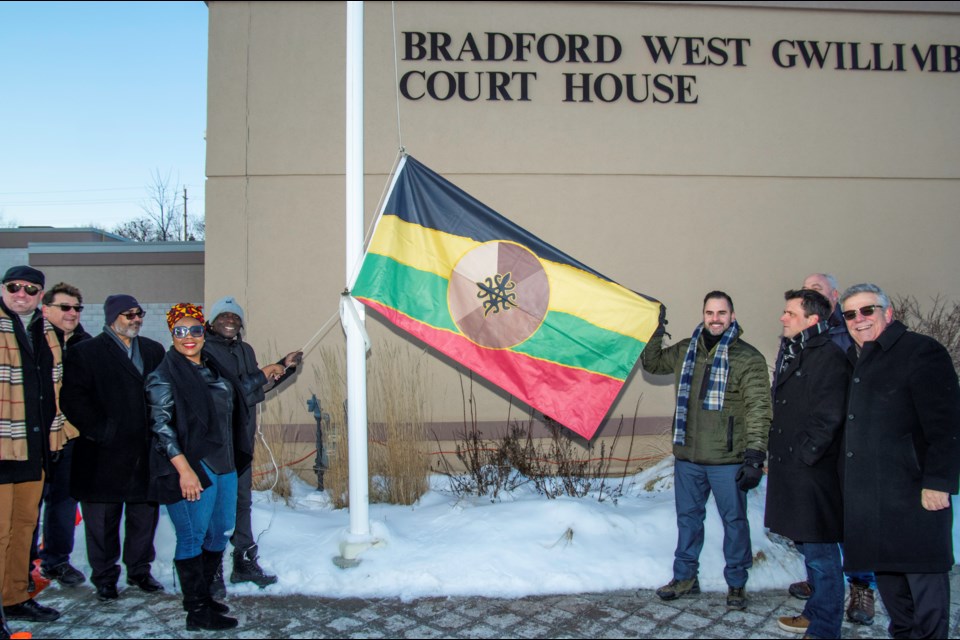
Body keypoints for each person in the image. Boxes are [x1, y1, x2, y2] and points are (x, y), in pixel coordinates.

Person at [839, 283, 960, 639]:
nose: (859, 320)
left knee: (924, 583)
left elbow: (948, 424)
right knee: (892, 587)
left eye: (867, 310)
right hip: (872, 498)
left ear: (887, 313)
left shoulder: (921, 352)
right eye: (850, 314)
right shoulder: (856, 358)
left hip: (913, 494)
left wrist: (939, 481)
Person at [641, 291, 771, 610]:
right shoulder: (687, 349)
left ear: (732, 315)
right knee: (688, 520)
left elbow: (758, 407)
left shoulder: (747, 357)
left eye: (722, 313)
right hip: (688, 457)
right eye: (710, 312)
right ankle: (685, 578)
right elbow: (653, 363)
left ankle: (737, 583)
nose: (716, 318)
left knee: (735, 521)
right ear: (703, 314)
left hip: (727, 460)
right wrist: (655, 328)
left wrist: (755, 454)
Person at [146, 303, 258, 631]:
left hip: (224, 463)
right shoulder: (164, 374)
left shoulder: (213, 367)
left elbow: (240, 394)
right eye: (180, 331)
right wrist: (184, 470)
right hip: (192, 467)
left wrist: (276, 369)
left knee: (221, 528)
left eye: (195, 329)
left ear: (203, 331)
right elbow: (161, 426)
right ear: (172, 334)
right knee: (192, 535)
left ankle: (207, 597)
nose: (189, 337)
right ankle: (196, 611)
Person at [59, 294, 166, 601]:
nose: (135, 319)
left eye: (138, 313)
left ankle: (139, 570)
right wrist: (102, 431)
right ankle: (105, 576)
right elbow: (73, 398)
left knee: (143, 518)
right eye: (128, 314)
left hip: (144, 452)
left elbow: (161, 393)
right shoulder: (85, 352)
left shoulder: (152, 350)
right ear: (111, 317)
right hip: (102, 454)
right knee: (102, 521)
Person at [790, 273, 876, 626]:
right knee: (818, 534)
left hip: (842, 451)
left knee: (849, 529)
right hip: (817, 453)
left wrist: (808, 450)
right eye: (808, 291)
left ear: (834, 298)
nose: (813, 296)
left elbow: (838, 404)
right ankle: (822, 589)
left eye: (819, 291)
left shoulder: (845, 335)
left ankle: (861, 587)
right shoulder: (802, 338)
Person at [201, 296, 301, 593]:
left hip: (242, 440)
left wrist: (284, 367)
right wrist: (263, 372)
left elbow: (255, 388)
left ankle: (244, 562)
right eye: (224, 316)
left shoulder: (245, 350)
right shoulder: (203, 351)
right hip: (214, 446)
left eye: (235, 317)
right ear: (212, 322)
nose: (230, 321)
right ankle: (211, 570)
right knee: (216, 507)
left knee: (242, 502)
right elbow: (226, 391)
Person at [765, 289, 849, 639]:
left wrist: (804, 456)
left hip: (813, 472)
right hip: (795, 469)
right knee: (808, 548)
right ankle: (815, 613)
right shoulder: (799, 349)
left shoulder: (828, 355)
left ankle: (826, 627)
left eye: (790, 313)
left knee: (822, 553)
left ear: (813, 319)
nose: (783, 318)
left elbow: (829, 416)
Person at [0, 266, 74, 625]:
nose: (22, 294)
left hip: (35, 447)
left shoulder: (45, 333)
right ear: (3, 288)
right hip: (2, 448)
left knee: (24, 527)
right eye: (14, 287)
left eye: (31, 289)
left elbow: (54, 390)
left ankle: (14, 597)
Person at [26, 283, 91, 589]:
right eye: (64, 307)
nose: (71, 313)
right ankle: (23, 564)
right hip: (33, 436)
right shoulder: (29, 340)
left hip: (69, 436)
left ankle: (57, 560)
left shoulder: (84, 344)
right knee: (28, 505)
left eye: (76, 308)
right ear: (46, 308)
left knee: (64, 502)